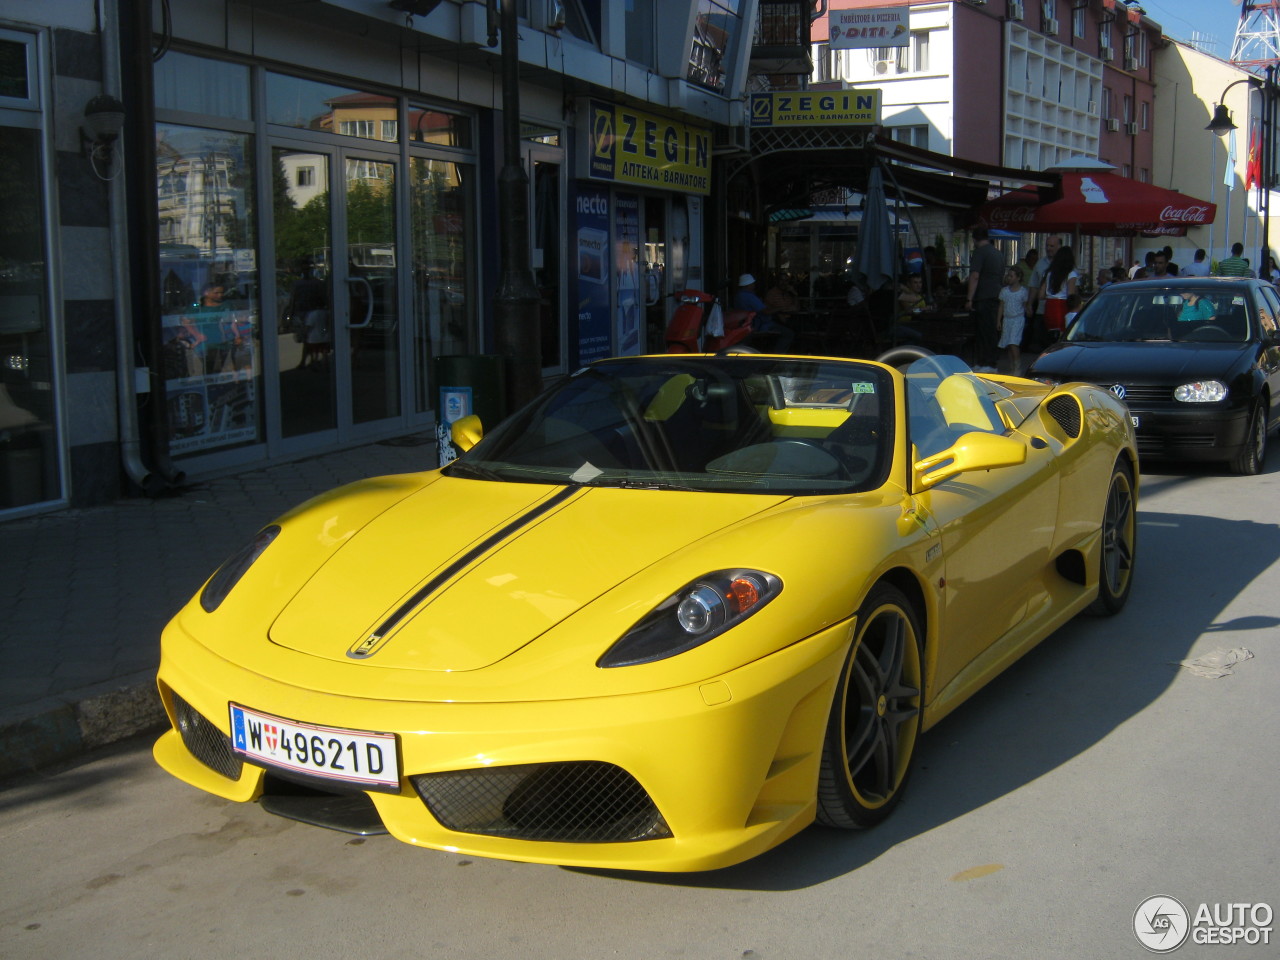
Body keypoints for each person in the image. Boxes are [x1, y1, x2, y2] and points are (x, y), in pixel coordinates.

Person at [965, 227, 1006, 370]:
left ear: (974, 238)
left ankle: (985, 362)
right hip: (997, 295)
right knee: (992, 330)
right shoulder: (998, 253)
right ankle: (991, 361)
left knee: (983, 331)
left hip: (983, 296)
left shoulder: (979, 253)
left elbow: (975, 276)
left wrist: (969, 298)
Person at [733, 273, 794, 351]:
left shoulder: (738, 296)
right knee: (788, 333)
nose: (754, 285)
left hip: (747, 324)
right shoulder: (749, 296)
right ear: (748, 284)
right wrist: (780, 308)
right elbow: (766, 312)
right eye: (753, 283)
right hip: (760, 325)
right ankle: (777, 356)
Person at [1028, 234, 1061, 350]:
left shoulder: (1065, 264)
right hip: (1042, 309)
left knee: (1056, 343)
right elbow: (1034, 286)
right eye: (1047, 246)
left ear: (1058, 247)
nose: (1048, 248)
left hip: (1059, 310)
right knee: (1040, 341)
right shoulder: (1040, 263)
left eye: (1052, 246)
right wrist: (1029, 304)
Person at [1038, 245, 1079, 339]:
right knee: (1064, 336)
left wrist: (1051, 295)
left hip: (1049, 305)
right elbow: (1070, 295)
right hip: (1063, 305)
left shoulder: (1048, 273)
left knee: (1052, 336)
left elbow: (1040, 295)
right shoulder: (1071, 274)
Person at [996, 267, 1029, 375]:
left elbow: (1024, 305)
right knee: (1009, 344)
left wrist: (1028, 311)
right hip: (1007, 320)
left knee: (1013, 343)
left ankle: (1017, 366)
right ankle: (1012, 365)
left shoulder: (1023, 292)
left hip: (1017, 319)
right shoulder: (1004, 291)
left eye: (1011, 276)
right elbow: (1001, 306)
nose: (1009, 278)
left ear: (1018, 278)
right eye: (1008, 275)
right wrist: (998, 321)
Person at [892, 274, 928, 344]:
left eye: (920, 282)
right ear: (908, 284)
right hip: (898, 325)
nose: (918, 285)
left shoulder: (920, 298)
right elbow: (911, 311)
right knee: (920, 336)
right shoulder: (903, 296)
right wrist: (923, 309)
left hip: (912, 325)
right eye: (915, 282)